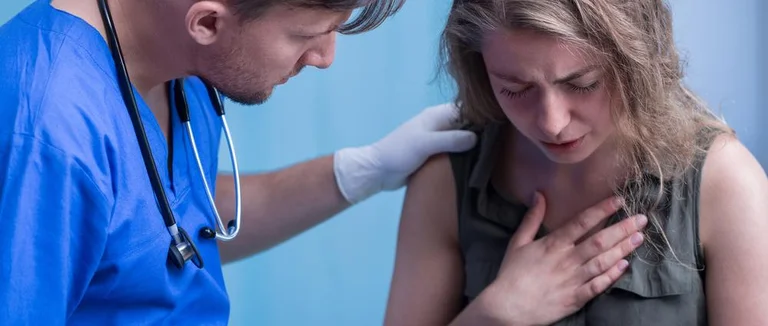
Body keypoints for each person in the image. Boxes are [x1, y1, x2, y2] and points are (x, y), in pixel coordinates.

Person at [0, 0, 481, 324]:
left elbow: (165, 220)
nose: (324, 57)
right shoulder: (45, 132)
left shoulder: (173, 54)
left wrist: (362, 171)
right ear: (208, 22)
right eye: (309, 35)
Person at [384, 0, 768, 325]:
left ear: (637, 60)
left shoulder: (723, 181)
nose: (552, 123)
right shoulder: (445, 180)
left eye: (582, 84)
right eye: (515, 89)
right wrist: (493, 313)